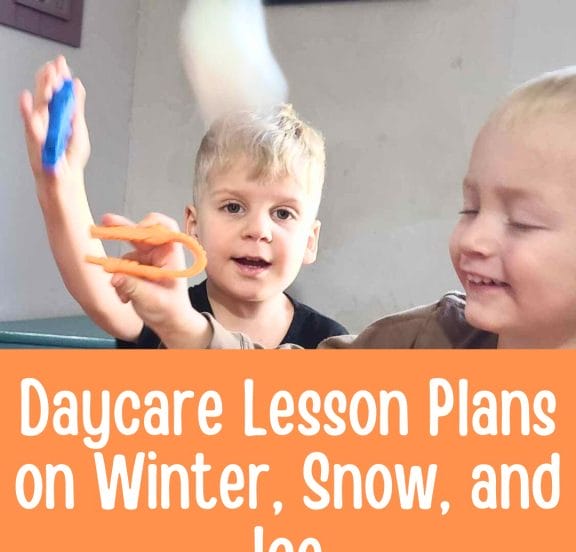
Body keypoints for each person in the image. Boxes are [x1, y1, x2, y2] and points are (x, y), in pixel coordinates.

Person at [115, 66, 576, 350]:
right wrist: (184, 328)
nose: (473, 239)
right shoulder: (424, 341)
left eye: (521, 222)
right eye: (470, 209)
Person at [20, 56, 348, 350]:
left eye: (283, 213)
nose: (258, 230)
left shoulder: (328, 342)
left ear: (309, 241)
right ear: (193, 226)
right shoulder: (165, 309)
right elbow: (102, 293)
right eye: (233, 207)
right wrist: (60, 182)